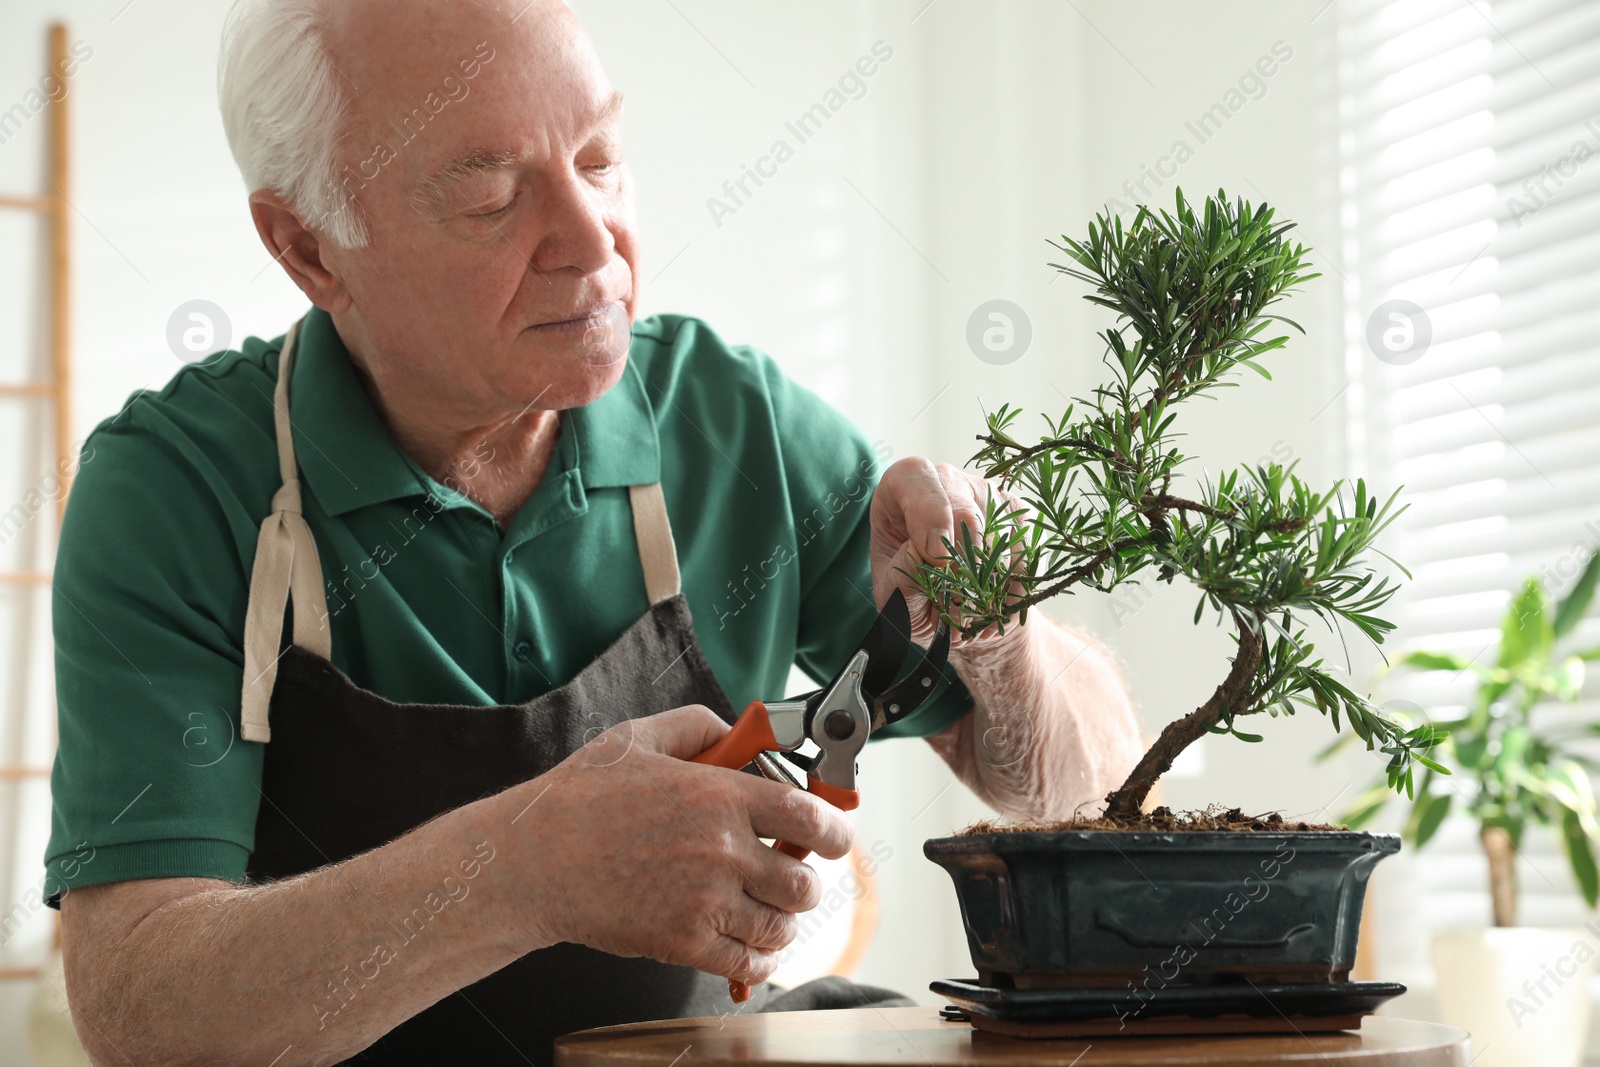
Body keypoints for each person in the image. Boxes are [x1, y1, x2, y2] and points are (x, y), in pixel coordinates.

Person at [46, 0, 1143, 1063]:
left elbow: (1070, 793)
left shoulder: (733, 420)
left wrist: (995, 635)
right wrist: (521, 866)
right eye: (490, 195)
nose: (592, 239)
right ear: (311, 247)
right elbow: (141, 1004)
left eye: (602, 158)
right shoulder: (179, 485)